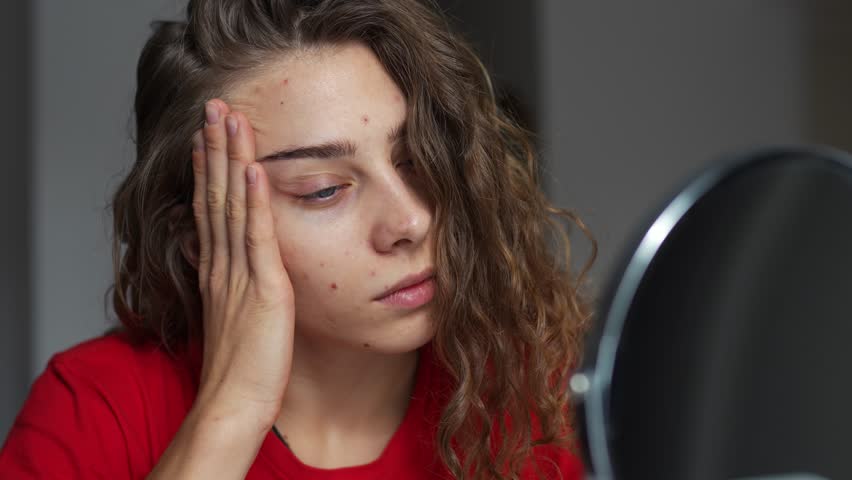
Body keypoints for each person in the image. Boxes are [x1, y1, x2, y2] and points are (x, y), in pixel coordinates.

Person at [0, 0, 595, 478]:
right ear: (199, 237)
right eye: (323, 190)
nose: (410, 222)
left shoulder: (541, 395)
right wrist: (232, 411)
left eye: (416, 161)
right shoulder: (95, 408)